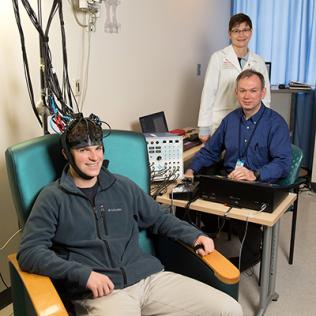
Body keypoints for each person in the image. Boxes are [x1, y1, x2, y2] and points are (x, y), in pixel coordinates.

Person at [17, 114, 242, 316]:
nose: (94, 157)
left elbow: (159, 218)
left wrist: (194, 235)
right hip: (102, 293)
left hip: (148, 279)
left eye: (97, 148)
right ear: (67, 154)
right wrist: (82, 274)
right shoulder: (52, 198)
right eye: (83, 150)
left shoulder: (122, 186)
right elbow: (29, 252)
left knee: (230, 309)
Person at [186, 69, 291, 271]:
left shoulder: (275, 123)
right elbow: (210, 151)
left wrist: (255, 174)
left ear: (263, 93)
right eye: (242, 90)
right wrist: (191, 170)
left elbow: (283, 163)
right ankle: (200, 249)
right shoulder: (230, 120)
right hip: (229, 179)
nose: (247, 96)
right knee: (187, 202)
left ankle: (248, 258)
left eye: (253, 90)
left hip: (258, 183)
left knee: (247, 212)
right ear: (236, 93)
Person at [198, 13, 271, 142]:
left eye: (245, 30)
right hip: (221, 121)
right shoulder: (218, 58)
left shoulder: (258, 61)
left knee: (244, 160)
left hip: (250, 122)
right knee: (220, 159)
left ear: (251, 32)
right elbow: (209, 92)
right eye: (236, 31)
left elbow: (266, 97)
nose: (241, 35)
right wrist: (204, 127)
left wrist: (264, 124)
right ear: (229, 34)